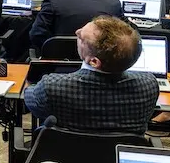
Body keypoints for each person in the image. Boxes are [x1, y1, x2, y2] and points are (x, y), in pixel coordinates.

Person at [22, 16, 159, 134]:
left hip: (66, 159)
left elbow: (30, 101)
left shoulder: (52, 86)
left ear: (94, 61)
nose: (77, 32)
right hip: (120, 159)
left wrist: (28, 80)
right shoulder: (149, 85)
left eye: (81, 37)